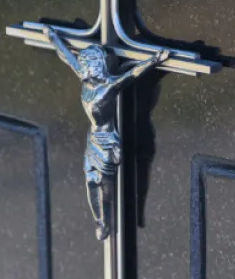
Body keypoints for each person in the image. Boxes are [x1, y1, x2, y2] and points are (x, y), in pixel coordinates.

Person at [43, 26, 171, 240]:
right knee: (91, 180)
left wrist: (155, 60)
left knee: (106, 184)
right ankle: (101, 221)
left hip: (108, 141)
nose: (84, 66)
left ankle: (116, 218)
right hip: (92, 139)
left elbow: (132, 74)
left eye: (88, 63)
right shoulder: (85, 79)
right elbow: (66, 56)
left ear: (97, 66)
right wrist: (53, 37)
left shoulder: (108, 86)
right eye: (84, 63)